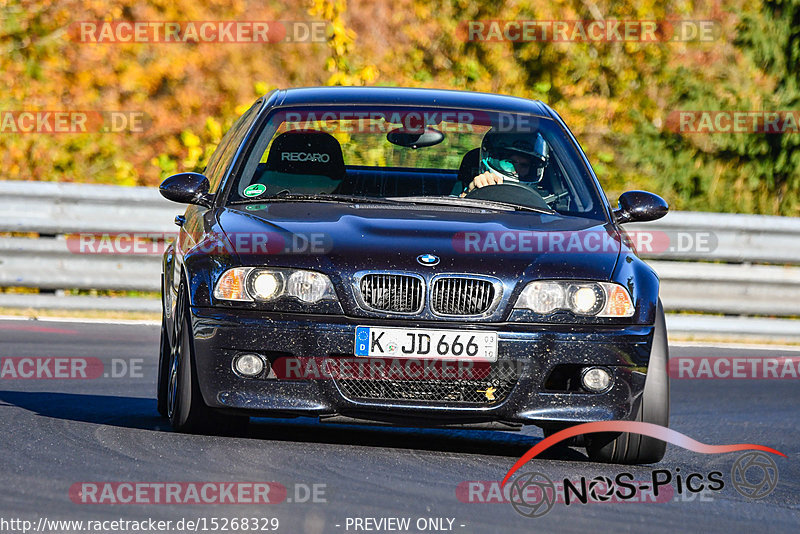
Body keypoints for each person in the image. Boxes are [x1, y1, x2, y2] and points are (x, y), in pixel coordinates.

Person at [462, 131, 549, 196]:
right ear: (494, 160)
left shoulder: (542, 203)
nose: (517, 171)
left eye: (524, 165)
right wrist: (470, 192)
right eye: (509, 162)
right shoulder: (477, 185)